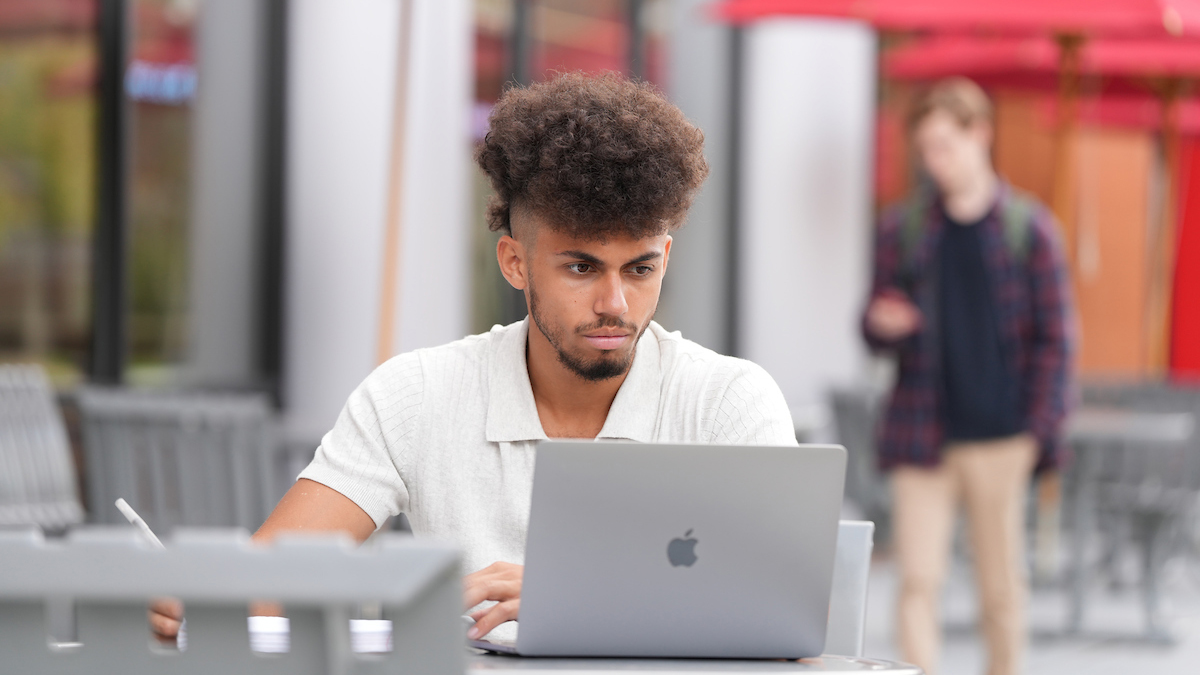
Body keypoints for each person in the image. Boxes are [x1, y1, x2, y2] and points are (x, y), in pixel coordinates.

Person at [149, 72, 797, 644]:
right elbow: (274, 577)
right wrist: (199, 597)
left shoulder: (730, 401)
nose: (615, 303)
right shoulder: (418, 392)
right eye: (581, 266)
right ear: (515, 261)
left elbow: (786, 614)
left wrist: (578, 595)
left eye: (640, 268)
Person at [862, 78, 1074, 675]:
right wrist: (886, 322)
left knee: (1001, 589)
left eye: (946, 145)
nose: (936, 160)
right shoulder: (903, 229)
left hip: (1003, 437)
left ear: (980, 134)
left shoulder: (1028, 230)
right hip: (921, 433)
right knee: (917, 583)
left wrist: (1038, 430)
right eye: (926, 148)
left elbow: (1058, 340)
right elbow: (871, 325)